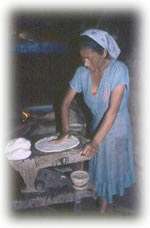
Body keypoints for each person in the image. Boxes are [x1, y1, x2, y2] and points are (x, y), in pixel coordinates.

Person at [51, 29, 135, 213]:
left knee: (109, 172)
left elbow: (112, 111)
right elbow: (65, 102)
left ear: (104, 52)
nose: (86, 63)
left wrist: (96, 140)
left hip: (117, 128)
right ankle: (106, 205)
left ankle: (103, 212)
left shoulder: (119, 70)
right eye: (82, 58)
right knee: (99, 171)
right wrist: (65, 130)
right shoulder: (81, 73)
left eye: (90, 58)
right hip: (98, 125)